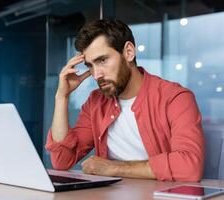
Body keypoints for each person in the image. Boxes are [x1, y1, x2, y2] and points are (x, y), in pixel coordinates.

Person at [45, 19, 204, 181]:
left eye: (102, 60)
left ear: (128, 52)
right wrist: (62, 97)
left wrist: (113, 168)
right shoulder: (95, 102)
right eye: (90, 66)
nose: (96, 74)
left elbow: (189, 167)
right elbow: (62, 161)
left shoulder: (175, 98)